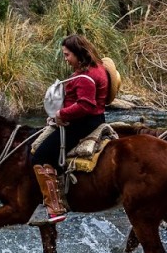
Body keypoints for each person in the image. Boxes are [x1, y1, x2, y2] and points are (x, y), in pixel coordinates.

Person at [29, 34, 109, 226]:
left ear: (78, 53)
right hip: (93, 118)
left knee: (40, 156)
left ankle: (55, 208)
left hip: (84, 122)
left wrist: (61, 115)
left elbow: (85, 106)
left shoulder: (85, 77)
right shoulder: (97, 67)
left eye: (67, 55)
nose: (66, 59)